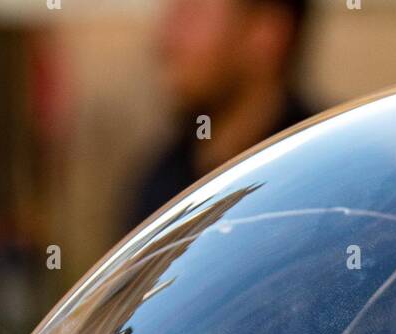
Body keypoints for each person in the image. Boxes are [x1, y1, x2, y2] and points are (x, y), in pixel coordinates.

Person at [124, 0, 312, 233]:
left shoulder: (321, 172)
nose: (166, 38)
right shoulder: (159, 184)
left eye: (192, 13)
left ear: (266, 34)